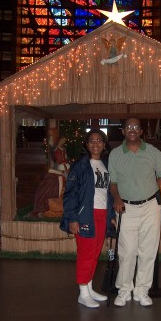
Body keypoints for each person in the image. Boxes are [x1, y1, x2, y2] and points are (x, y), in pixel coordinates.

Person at [108, 117, 161, 307]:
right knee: (128, 251)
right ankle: (125, 290)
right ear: (123, 131)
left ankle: (142, 290)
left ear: (141, 131)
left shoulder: (152, 152)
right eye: (129, 127)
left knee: (148, 250)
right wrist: (117, 199)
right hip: (125, 207)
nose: (132, 130)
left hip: (150, 206)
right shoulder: (115, 154)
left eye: (136, 127)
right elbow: (113, 183)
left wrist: (152, 190)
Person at [60, 129, 115, 308]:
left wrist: (112, 216)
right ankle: (83, 293)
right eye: (92, 141)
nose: (95, 144)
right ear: (86, 144)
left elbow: (110, 193)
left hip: (102, 215)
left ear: (104, 144)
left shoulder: (107, 164)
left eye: (99, 140)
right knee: (86, 254)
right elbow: (70, 194)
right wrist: (72, 218)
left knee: (95, 253)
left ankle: (89, 288)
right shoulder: (80, 166)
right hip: (85, 216)